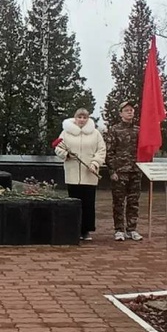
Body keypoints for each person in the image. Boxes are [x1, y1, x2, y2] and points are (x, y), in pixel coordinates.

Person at [54, 108, 106, 241]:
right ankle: (74, 229)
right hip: (72, 174)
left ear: (88, 119)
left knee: (88, 203)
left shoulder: (95, 134)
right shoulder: (66, 133)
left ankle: (86, 230)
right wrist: (66, 154)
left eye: (84, 117)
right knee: (74, 202)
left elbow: (101, 150)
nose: (82, 120)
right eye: (79, 117)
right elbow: (58, 148)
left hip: (89, 173)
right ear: (75, 118)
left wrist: (95, 163)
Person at [105, 100, 142, 242]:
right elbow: (109, 152)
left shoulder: (139, 130)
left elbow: (145, 149)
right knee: (118, 202)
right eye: (126, 110)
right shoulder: (114, 130)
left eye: (131, 110)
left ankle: (132, 229)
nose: (130, 112)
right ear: (120, 114)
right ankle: (119, 229)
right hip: (120, 172)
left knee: (133, 202)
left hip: (135, 171)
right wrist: (112, 171)